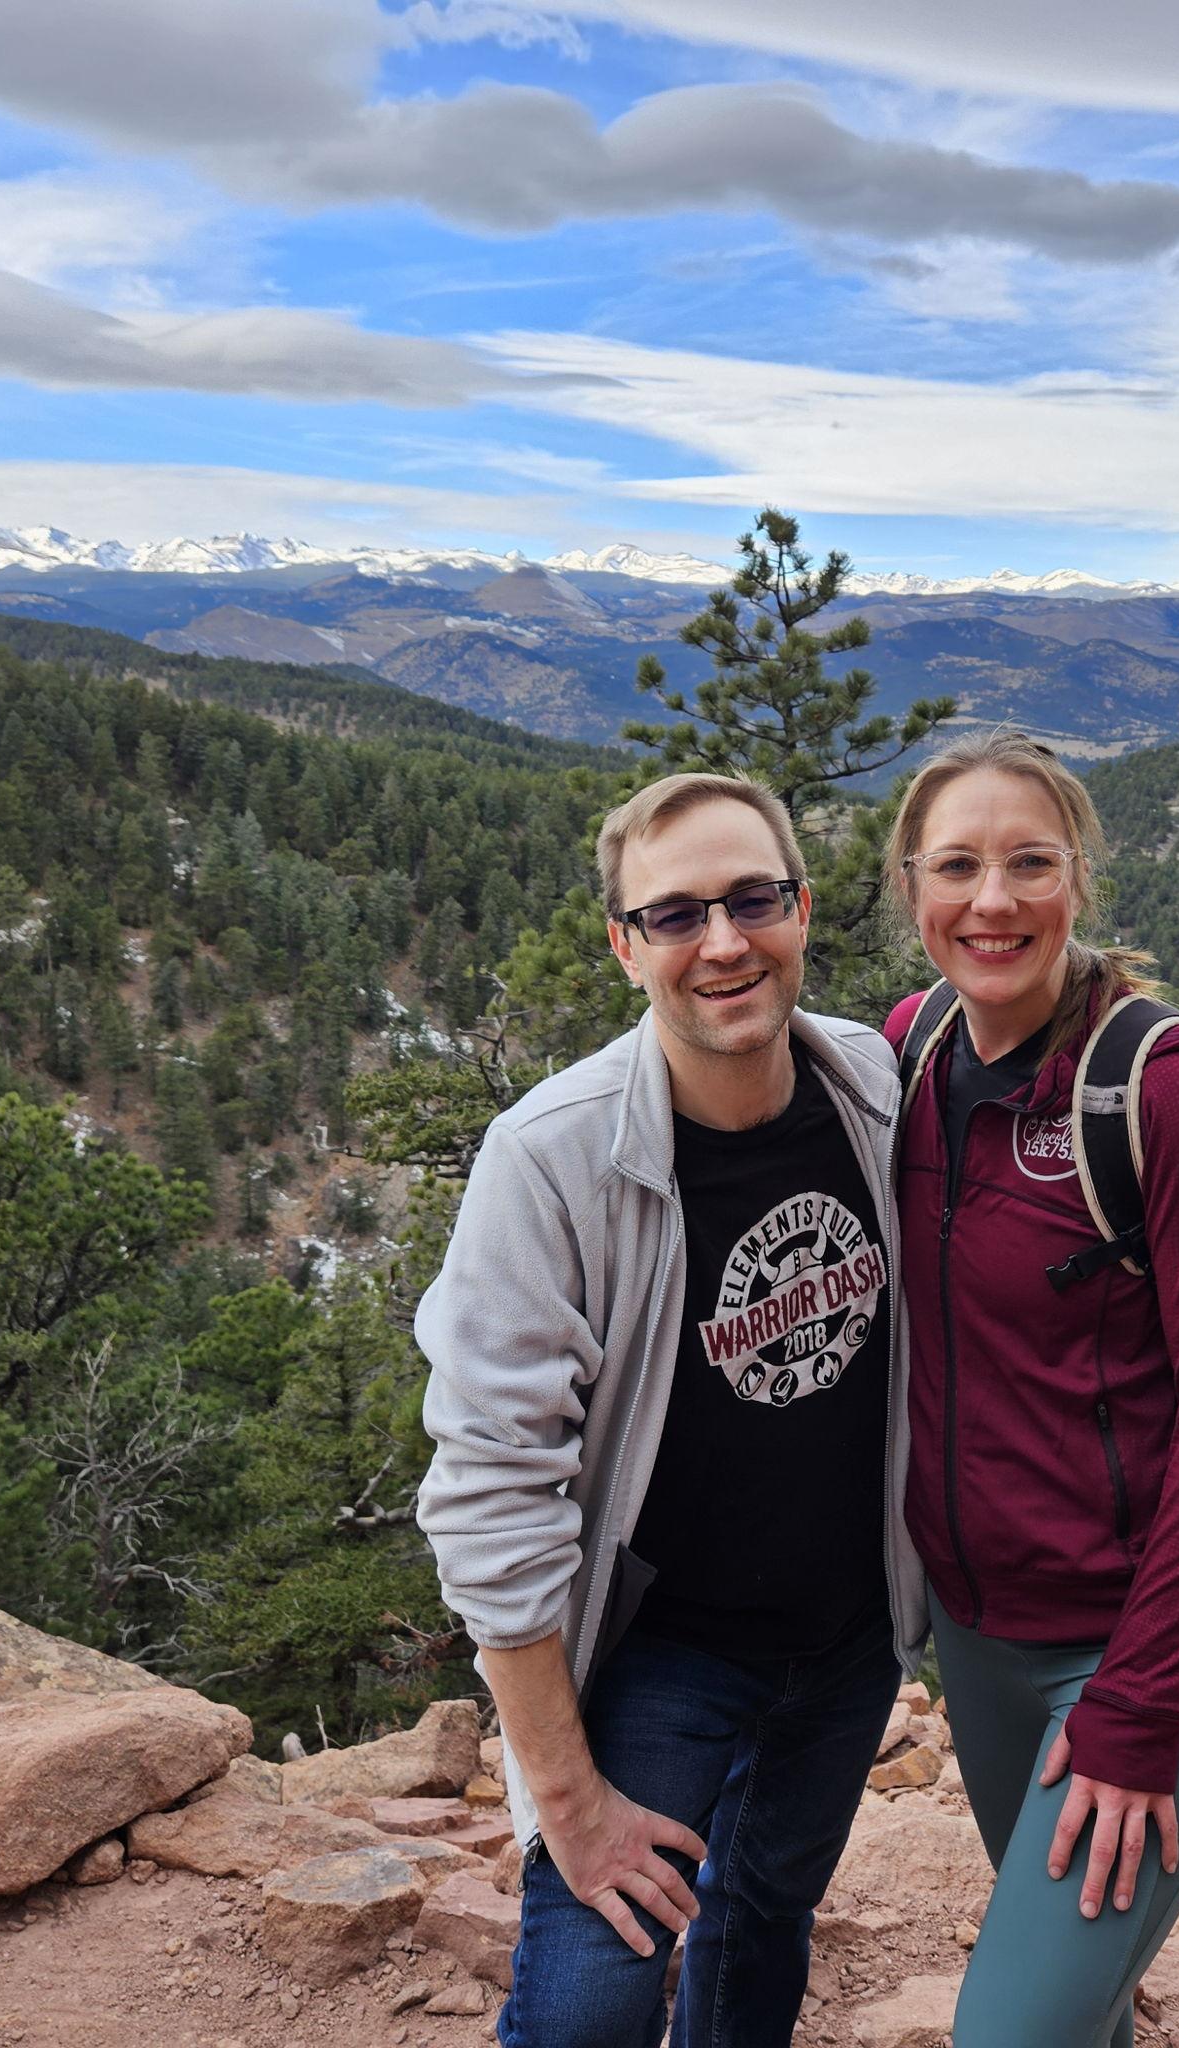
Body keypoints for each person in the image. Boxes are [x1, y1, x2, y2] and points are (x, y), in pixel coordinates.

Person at [413, 770, 924, 2048]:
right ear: (625, 945)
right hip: (666, 1648)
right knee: (587, 2005)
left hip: (851, 1626)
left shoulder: (872, 1083)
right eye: (676, 913)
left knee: (762, 1922)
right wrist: (570, 1800)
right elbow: (488, 1492)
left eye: (754, 899)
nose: (724, 942)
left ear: (802, 908)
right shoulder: (552, 1158)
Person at [882, 730, 1179, 2048]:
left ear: (1076, 881)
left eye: (1028, 864)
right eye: (956, 866)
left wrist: (1140, 1696)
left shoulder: (1166, 1089)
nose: (990, 900)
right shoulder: (908, 1055)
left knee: (1010, 2032)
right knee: (1075, 2013)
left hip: (1150, 1645)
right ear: (911, 889)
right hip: (980, 1644)